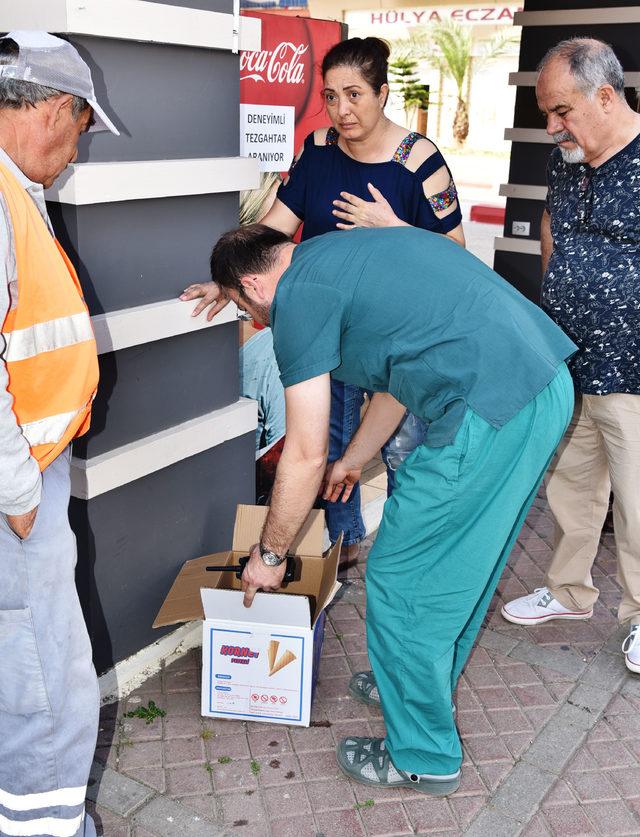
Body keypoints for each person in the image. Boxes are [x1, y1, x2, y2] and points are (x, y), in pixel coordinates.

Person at [207, 222, 576, 794]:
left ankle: (423, 756)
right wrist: (355, 458)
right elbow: (400, 378)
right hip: (539, 384)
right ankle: (412, 678)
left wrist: (271, 553)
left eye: (243, 309)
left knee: (402, 576)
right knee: (460, 566)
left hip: (488, 408)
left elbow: (303, 452)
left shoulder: (296, 298)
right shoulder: (336, 256)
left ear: (255, 285)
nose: (255, 322)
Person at [181, 36, 464, 556]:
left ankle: (408, 549)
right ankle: (344, 541)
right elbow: (277, 227)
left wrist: (393, 227)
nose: (341, 109)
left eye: (354, 94)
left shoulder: (419, 159)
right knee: (329, 440)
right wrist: (229, 280)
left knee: (403, 446)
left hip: (395, 336)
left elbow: (455, 256)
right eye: (331, 96)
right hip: (325, 327)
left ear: (382, 93)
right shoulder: (317, 149)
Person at [0, 31, 119, 836]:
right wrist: (16, 490)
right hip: (17, 483)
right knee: (46, 674)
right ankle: (46, 826)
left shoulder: (15, 194)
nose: (76, 148)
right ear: (51, 109)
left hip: (25, 471)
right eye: (80, 126)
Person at [500, 38, 640, 676]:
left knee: (636, 502)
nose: (551, 126)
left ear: (605, 96)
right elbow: (555, 225)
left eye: (561, 110)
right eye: (545, 112)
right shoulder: (570, 158)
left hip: (633, 367)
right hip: (572, 358)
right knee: (572, 485)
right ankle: (568, 592)